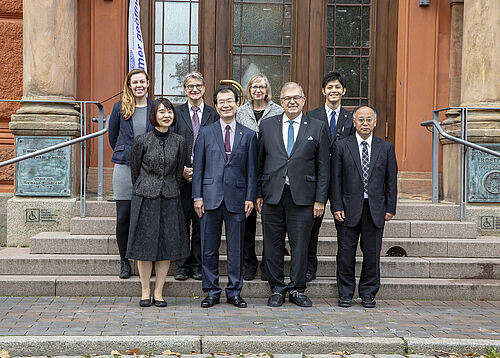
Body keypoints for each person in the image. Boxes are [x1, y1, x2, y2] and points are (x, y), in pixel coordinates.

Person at [256, 82, 330, 308]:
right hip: (272, 195)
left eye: (296, 97)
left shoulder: (317, 127)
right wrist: (258, 193)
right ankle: (277, 288)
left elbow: (324, 166)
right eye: (287, 98)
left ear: (304, 100)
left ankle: (297, 289)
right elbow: (259, 162)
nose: (292, 101)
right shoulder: (267, 125)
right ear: (281, 102)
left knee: (300, 245)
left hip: (304, 197)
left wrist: (320, 199)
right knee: (273, 243)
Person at [192, 85, 257, 309]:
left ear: (237, 104)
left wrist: (250, 196)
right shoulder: (205, 132)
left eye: (230, 101)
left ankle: (234, 291)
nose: (226, 105)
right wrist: (197, 196)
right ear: (216, 105)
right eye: (221, 101)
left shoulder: (248, 135)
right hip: (209, 198)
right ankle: (211, 291)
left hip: (237, 199)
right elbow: (198, 168)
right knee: (208, 248)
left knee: (236, 248)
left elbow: (252, 170)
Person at [331, 105, 398, 309]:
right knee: (345, 252)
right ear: (354, 122)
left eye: (369, 119)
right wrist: (336, 206)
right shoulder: (342, 146)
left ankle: (368, 292)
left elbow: (391, 180)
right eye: (361, 119)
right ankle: (345, 292)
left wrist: (390, 208)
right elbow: (336, 180)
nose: (365, 123)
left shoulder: (385, 147)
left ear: (375, 122)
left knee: (372, 253)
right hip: (348, 209)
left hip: (375, 209)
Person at [126, 98, 189, 307]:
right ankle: (145, 291)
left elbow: (179, 172)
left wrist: (169, 186)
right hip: (145, 196)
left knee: (166, 245)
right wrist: (146, 186)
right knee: (144, 245)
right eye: (162, 112)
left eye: (170, 112)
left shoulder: (179, 141)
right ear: (154, 115)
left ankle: (159, 292)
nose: (166, 116)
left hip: (170, 197)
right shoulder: (142, 141)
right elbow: (135, 172)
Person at [306, 71, 355, 282]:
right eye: (330, 87)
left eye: (337, 87)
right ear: (323, 91)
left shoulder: (351, 118)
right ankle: (309, 268)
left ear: (343, 91)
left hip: (342, 181)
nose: (333, 91)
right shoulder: (311, 116)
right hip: (315, 179)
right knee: (310, 228)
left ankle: (343, 275)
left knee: (344, 230)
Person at [236, 74, 283, 281]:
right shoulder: (241, 112)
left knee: (270, 222)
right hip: (245, 170)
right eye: (254, 86)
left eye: (262, 87)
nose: (258, 90)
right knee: (247, 222)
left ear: (267, 90)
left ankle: (267, 263)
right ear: (249, 89)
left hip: (270, 171)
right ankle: (249, 263)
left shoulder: (278, 111)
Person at [172, 72, 219, 281]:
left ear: (204, 88)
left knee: (202, 222)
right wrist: (180, 167)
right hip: (181, 176)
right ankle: (182, 265)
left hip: (206, 176)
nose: (194, 89)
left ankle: (198, 265)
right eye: (190, 86)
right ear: (184, 89)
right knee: (182, 221)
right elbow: (170, 142)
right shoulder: (176, 112)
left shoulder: (213, 113)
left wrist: (204, 170)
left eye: (198, 85)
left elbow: (218, 143)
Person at [108, 68, 153, 279]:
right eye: (134, 82)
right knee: (124, 216)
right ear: (129, 85)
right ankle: (124, 261)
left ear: (148, 83)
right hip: (124, 167)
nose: (139, 85)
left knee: (145, 217)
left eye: (142, 81)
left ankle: (145, 259)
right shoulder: (119, 108)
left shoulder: (155, 108)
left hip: (150, 169)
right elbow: (113, 138)